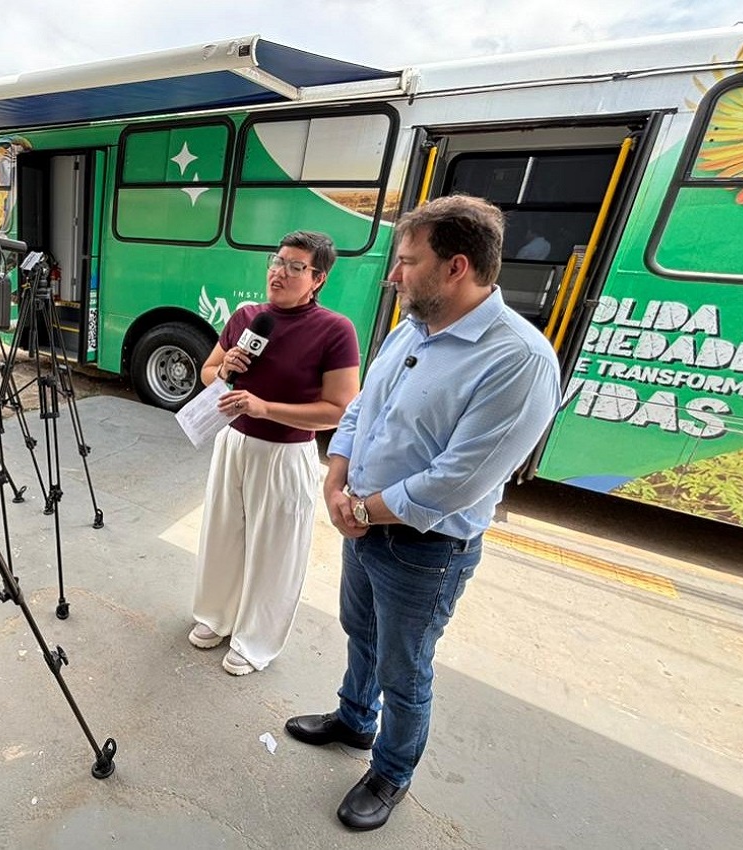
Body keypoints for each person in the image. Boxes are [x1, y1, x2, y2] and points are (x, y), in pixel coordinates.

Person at [284, 195, 562, 830]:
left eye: (408, 262)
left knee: (404, 670)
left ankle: (391, 771)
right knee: (361, 632)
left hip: (426, 548)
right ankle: (354, 720)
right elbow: (360, 413)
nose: (394, 274)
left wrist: (358, 506)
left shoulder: (517, 359)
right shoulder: (413, 325)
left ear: (455, 266)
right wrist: (336, 481)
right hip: (363, 524)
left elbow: (457, 481)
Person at [188, 231, 360, 676]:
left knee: (274, 550)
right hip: (233, 442)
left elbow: (339, 410)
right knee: (222, 533)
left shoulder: (335, 330)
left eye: (295, 266)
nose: (279, 272)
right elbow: (209, 372)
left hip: (285, 454)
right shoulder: (247, 316)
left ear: (317, 278)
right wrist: (225, 369)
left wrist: (267, 408)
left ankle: (255, 640)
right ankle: (215, 616)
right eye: (276, 261)